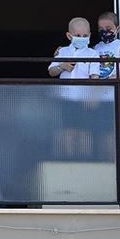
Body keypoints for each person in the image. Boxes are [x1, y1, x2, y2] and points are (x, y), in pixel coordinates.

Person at [48, 17, 100, 158]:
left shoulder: (93, 54)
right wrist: (62, 66)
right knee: (66, 130)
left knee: (84, 130)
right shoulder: (62, 52)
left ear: (89, 36)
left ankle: (85, 159)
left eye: (85, 36)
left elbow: (95, 77)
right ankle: (67, 158)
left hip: (84, 98)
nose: (81, 38)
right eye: (77, 36)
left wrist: (93, 96)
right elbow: (51, 71)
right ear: (69, 36)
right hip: (65, 98)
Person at [94, 12, 120, 79]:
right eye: (101, 29)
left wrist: (111, 80)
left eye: (108, 29)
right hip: (100, 87)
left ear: (118, 29)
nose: (105, 32)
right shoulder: (96, 47)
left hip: (117, 86)